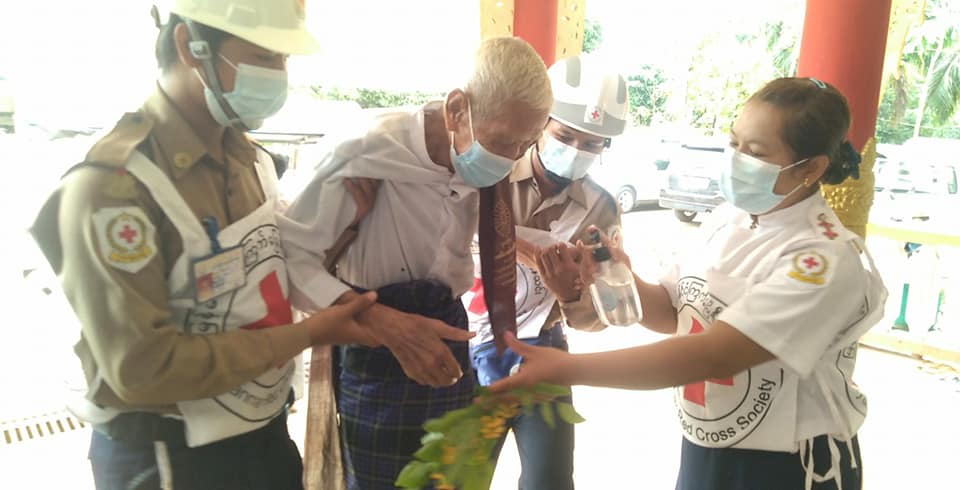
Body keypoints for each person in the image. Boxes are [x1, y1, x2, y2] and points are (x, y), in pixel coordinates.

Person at [29, 1, 383, 488]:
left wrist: (350, 227)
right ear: (189, 46)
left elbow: (266, 271)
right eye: (264, 55)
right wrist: (306, 334)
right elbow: (144, 368)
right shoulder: (115, 189)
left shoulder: (249, 160)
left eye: (284, 59)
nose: (278, 75)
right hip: (172, 458)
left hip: (263, 435)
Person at [490, 77, 887, 490]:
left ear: (811, 168)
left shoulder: (822, 259)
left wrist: (569, 369)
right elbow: (672, 311)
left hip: (787, 464)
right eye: (733, 143)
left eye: (755, 152)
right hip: (706, 445)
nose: (736, 159)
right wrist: (615, 273)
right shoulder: (726, 219)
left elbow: (716, 355)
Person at [278, 37, 553, 489]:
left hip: (448, 333)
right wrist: (380, 321)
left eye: (526, 144)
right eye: (504, 141)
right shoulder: (365, 152)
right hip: (372, 339)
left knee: (453, 477)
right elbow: (292, 260)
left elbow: (489, 240)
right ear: (457, 109)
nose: (511, 159)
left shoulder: (484, 163)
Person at [464, 54, 628, 490]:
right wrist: (522, 250)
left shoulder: (601, 210)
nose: (576, 150)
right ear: (540, 125)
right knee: (460, 474)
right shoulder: (487, 176)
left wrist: (571, 295)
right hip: (470, 345)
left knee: (550, 480)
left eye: (592, 144)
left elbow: (603, 314)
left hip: (544, 352)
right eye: (565, 135)